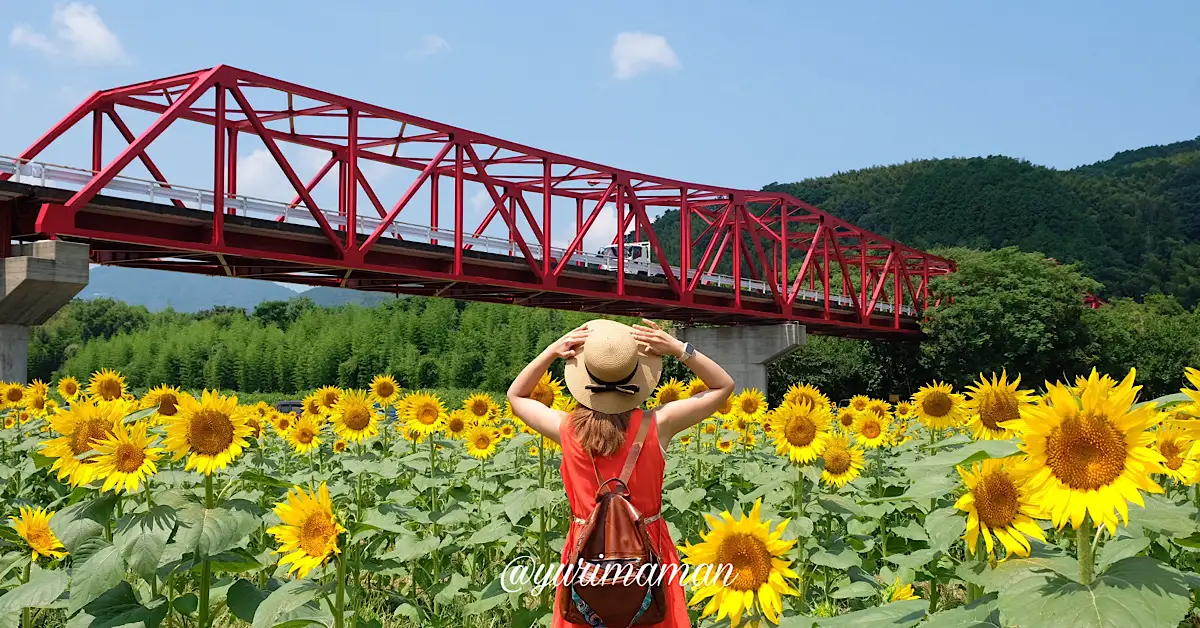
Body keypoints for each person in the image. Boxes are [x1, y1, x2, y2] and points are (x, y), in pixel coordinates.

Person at [508, 318, 734, 627]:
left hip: (586, 550)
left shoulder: (566, 429)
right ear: (638, 378)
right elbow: (723, 386)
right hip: (647, 548)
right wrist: (680, 349)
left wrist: (550, 352)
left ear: (584, 378)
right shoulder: (659, 425)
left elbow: (516, 396)